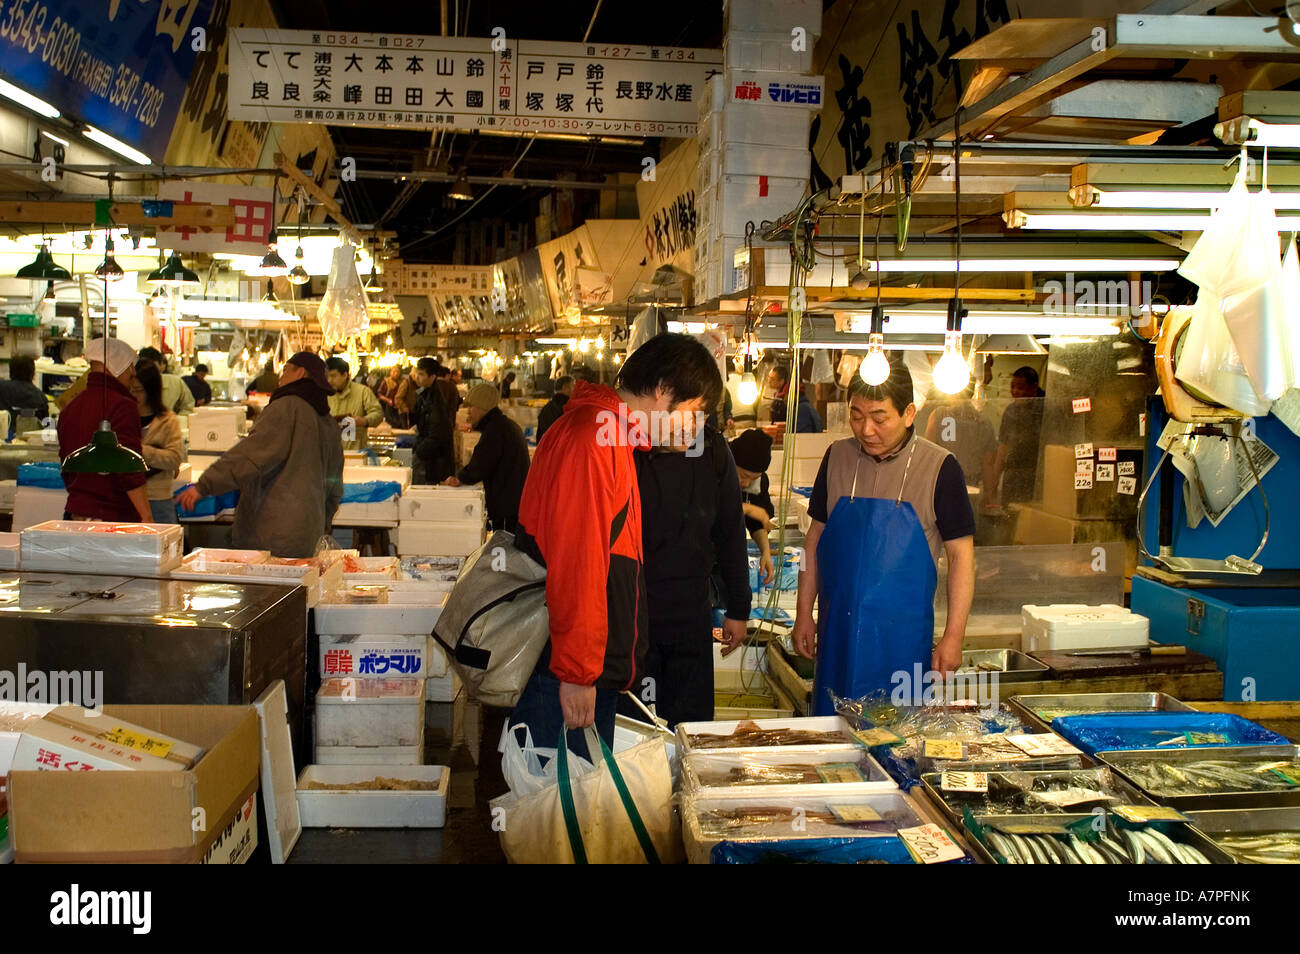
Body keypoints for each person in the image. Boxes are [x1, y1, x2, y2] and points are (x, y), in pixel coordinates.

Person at [509, 333, 723, 761]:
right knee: (556, 813)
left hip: (583, 663)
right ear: (663, 392)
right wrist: (577, 674)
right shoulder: (593, 439)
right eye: (696, 413)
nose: (698, 430)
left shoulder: (612, 437)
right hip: (564, 666)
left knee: (569, 808)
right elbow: (579, 564)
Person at [792, 361, 975, 715]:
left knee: (895, 743)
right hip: (837, 636)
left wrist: (954, 636)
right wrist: (804, 612)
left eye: (879, 417)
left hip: (902, 643)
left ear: (908, 413)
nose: (866, 429)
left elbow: (961, 559)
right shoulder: (837, 457)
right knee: (833, 740)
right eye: (856, 416)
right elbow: (812, 543)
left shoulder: (940, 468)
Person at [633, 421, 750, 728]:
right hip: (631, 612)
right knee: (633, 732)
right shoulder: (623, 441)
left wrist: (739, 608)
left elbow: (731, 531)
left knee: (688, 730)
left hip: (690, 613)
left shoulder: (712, 448)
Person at [176, 352, 344, 558]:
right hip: (308, 534)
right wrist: (320, 525)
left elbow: (250, 456)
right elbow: (335, 487)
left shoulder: (286, 406)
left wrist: (205, 485)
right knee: (299, 589)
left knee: (262, 589)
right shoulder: (327, 421)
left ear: (300, 373)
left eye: (284, 371)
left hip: (271, 534)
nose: (280, 378)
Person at [57, 338, 151, 522]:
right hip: (113, 517)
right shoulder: (122, 406)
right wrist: (146, 516)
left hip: (75, 514)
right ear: (115, 365)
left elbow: (66, 464)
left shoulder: (71, 407)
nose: (133, 373)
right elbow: (128, 469)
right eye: (129, 366)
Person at [443, 384, 530, 533]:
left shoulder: (496, 430)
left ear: (483, 407)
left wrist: (461, 478)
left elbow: (481, 463)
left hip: (507, 505)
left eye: (472, 407)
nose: (469, 412)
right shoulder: (504, 425)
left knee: (505, 545)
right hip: (515, 501)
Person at [131, 360, 183, 524]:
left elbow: (174, 458)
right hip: (128, 499)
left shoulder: (167, 420)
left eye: (139, 390)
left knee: (163, 547)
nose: (134, 395)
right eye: (130, 390)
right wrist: (156, 452)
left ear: (151, 390)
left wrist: (139, 450)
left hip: (159, 499)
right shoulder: (123, 417)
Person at [988, 366, 1046, 508]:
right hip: (1012, 475)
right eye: (1012, 387)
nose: (1015, 392)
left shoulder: (1045, 408)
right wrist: (993, 483)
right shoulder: (1011, 410)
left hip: (1036, 476)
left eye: (1020, 388)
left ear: (1033, 388)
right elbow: (1003, 448)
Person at [924, 383, 997, 493]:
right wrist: (988, 495)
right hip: (967, 484)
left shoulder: (939, 414)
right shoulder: (984, 421)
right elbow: (988, 464)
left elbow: (928, 456)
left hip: (944, 483)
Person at [730, 428, 777, 586]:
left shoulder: (759, 481)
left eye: (754, 478)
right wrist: (749, 508)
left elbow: (757, 523)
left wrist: (765, 551)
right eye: (743, 476)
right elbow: (709, 506)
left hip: (729, 555)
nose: (746, 483)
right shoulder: (712, 470)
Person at [410, 357, 455, 485]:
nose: (417, 377)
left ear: (432, 377)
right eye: (417, 373)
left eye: (421, 374)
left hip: (432, 460)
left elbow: (437, 435)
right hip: (428, 455)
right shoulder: (425, 395)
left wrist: (419, 453)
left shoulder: (436, 401)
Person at [325, 356, 383, 450]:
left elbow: (378, 413)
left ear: (345, 375)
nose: (329, 380)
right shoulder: (323, 394)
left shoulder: (363, 391)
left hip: (355, 452)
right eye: (327, 376)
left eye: (333, 376)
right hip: (330, 452)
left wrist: (364, 421)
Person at [138, 347, 195, 416]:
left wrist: (173, 420)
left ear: (161, 365)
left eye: (153, 368)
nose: (150, 372)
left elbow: (188, 407)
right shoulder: (131, 384)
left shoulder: (175, 382)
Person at [767, 364, 822, 432]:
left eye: (772, 379)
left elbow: (803, 434)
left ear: (781, 381)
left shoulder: (800, 406)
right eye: (769, 378)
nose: (769, 381)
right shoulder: (779, 399)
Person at [0, 355, 48, 429]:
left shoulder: (2, 387)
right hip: (30, 437)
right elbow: (46, 425)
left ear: (11, 371)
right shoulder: (40, 396)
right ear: (32, 372)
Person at [536, 375, 572, 444]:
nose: (576, 390)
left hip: (547, 450)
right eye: (573, 386)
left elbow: (540, 435)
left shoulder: (546, 408)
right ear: (565, 388)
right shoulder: (568, 409)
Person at [377, 364, 412, 428]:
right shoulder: (386, 381)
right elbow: (380, 394)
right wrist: (388, 400)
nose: (395, 374)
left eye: (397, 372)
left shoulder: (403, 381)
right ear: (390, 372)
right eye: (393, 372)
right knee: (392, 422)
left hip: (400, 405)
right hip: (390, 405)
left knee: (402, 424)